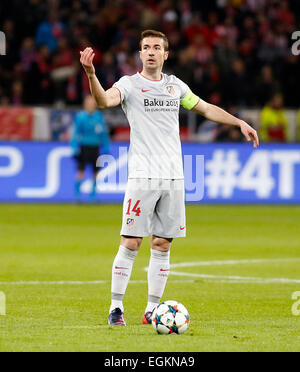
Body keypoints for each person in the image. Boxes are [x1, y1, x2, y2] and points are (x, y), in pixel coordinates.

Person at [79, 30, 259, 326]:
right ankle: (116, 308)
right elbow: (103, 101)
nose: (150, 52)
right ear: (140, 54)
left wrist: (239, 121)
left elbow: (205, 108)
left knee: (162, 244)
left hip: (174, 177)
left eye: (156, 48)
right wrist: (91, 74)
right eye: (145, 47)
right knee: (131, 242)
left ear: (166, 54)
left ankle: (152, 311)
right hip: (142, 177)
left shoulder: (175, 87)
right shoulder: (130, 85)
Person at [71, 94, 110, 201]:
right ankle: (77, 194)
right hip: (84, 147)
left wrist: (106, 145)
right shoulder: (80, 117)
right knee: (81, 171)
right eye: (88, 103)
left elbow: (103, 133)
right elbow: (75, 132)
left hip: (95, 147)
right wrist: (74, 146)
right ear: (85, 104)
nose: (90, 105)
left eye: (92, 103)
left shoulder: (99, 117)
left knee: (95, 172)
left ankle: (93, 194)